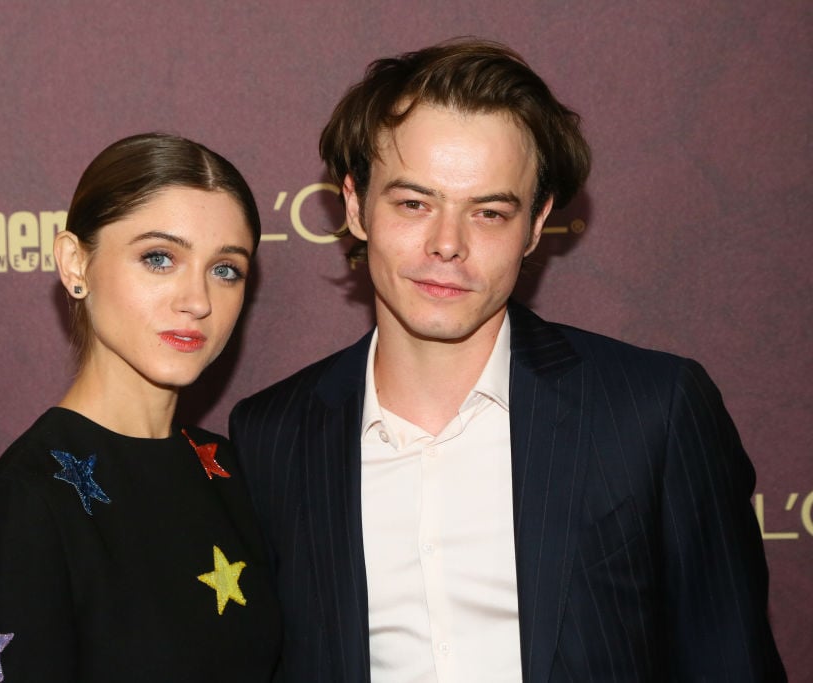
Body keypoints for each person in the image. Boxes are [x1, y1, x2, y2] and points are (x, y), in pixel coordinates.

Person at [229, 40, 785, 682]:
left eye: (489, 213)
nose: (447, 245)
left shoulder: (653, 410)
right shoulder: (273, 436)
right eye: (414, 204)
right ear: (355, 206)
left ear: (536, 223)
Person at [0, 133, 280, 682]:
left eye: (225, 269)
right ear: (75, 264)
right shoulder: (30, 496)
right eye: (159, 258)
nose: (198, 301)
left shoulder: (230, 468)